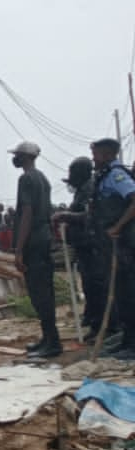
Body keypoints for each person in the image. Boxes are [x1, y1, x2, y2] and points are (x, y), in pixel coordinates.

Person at [11, 141, 62, 360]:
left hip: (33, 241)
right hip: (43, 238)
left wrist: (19, 249)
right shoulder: (42, 178)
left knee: (39, 293)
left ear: (24, 157)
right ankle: (48, 339)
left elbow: (27, 214)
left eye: (17, 155)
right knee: (45, 291)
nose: (14, 159)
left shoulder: (26, 178)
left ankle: (53, 343)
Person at [88, 138, 135, 360]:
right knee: (121, 295)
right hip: (111, 247)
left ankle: (133, 345)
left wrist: (118, 226)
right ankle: (127, 340)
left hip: (124, 246)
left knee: (129, 294)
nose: (93, 159)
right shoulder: (103, 177)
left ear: (106, 154)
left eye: (95, 154)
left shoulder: (117, 176)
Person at [54, 157, 106, 342]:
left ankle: (100, 327)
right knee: (88, 285)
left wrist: (68, 216)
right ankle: (92, 320)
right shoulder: (82, 190)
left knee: (96, 287)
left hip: (92, 246)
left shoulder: (90, 189)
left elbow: (90, 215)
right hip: (83, 246)